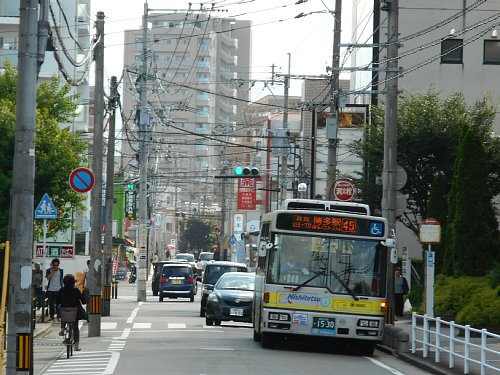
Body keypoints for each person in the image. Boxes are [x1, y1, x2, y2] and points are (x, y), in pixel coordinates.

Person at [56, 274, 85, 351]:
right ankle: (76, 346)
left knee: (62, 311)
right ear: (73, 283)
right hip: (75, 313)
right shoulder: (76, 290)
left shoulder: (61, 291)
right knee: (75, 328)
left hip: (64, 312)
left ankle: (62, 328)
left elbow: (57, 301)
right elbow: (83, 300)